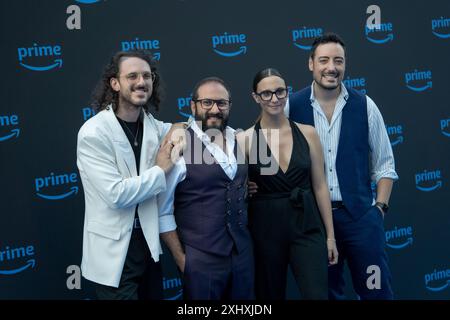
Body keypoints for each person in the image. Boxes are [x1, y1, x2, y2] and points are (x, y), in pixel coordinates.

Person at [286, 33, 398, 300]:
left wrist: (378, 210)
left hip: (361, 219)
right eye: (323, 60)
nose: (331, 67)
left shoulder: (365, 106)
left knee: (376, 292)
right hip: (314, 223)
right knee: (326, 294)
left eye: (338, 61)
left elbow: (385, 165)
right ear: (310, 64)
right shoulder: (292, 107)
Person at [77, 50, 180, 300]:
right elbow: (116, 194)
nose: (141, 82)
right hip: (114, 256)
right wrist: (160, 170)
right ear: (115, 83)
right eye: (132, 76)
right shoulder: (93, 132)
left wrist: (179, 130)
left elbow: (181, 127)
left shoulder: (153, 126)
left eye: (147, 76)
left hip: (147, 251)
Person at [238, 68, 338, 300]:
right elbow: (235, 188)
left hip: (307, 224)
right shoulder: (244, 140)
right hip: (264, 230)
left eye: (280, 91)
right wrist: (244, 188)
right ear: (256, 97)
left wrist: (330, 236)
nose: (274, 98)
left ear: (287, 93)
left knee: (317, 295)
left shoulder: (308, 133)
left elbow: (321, 186)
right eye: (266, 94)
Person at [158, 77, 255, 300]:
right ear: (193, 106)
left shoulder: (238, 138)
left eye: (221, 103)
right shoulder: (178, 144)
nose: (214, 109)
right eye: (207, 103)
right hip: (202, 260)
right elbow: (162, 211)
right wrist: (181, 258)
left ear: (229, 106)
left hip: (242, 256)